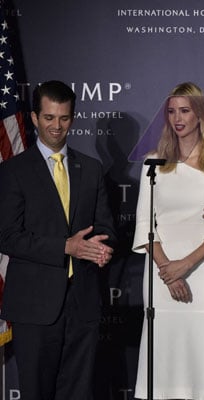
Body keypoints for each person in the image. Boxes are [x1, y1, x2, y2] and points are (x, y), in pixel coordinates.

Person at [0, 80, 115, 400]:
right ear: (35, 118)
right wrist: (65, 246)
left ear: (73, 119)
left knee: (78, 392)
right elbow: (7, 236)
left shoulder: (91, 168)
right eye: (49, 118)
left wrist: (102, 248)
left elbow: (106, 226)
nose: (56, 126)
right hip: (34, 306)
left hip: (83, 303)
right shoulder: (13, 171)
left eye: (64, 118)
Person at [132, 82, 204, 399]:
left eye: (185, 110)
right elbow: (144, 223)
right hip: (161, 276)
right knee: (162, 365)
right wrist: (167, 269)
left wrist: (185, 265)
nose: (178, 118)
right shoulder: (153, 163)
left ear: (200, 114)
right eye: (172, 111)